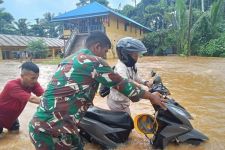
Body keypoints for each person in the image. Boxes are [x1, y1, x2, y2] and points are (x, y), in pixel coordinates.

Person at [29, 31, 166, 150]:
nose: (105, 56)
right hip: (54, 128)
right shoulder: (94, 62)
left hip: (43, 124)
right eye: (105, 51)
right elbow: (123, 85)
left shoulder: (67, 59)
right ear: (97, 46)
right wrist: (151, 96)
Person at [106, 37, 153, 114]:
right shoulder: (120, 67)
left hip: (123, 101)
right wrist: (139, 86)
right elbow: (125, 82)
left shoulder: (131, 65)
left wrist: (146, 83)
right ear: (125, 55)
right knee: (127, 121)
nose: (136, 58)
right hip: (117, 103)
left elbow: (136, 77)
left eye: (137, 56)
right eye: (135, 56)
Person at [0, 62, 44, 137]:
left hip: (12, 118)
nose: (35, 81)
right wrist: (52, 103)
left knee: (15, 135)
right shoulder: (12, 86)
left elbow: (44, 94)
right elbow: (32, 99)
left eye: (37, 77)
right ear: (22, 76)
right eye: (33, 78)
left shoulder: (33, 84)